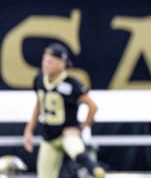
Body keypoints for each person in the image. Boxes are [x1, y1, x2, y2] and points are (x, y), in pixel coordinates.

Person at [22, 43, 105, 178]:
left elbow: (93, 107)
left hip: (67, 133)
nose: (45, 64)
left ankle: (95, 169)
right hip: (49, 137)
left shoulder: (71, 84)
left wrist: (82, 126)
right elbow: (39, 105)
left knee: (76, 149)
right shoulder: (39, 80)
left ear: (62, 64)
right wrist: (29, 130)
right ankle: (94, 168)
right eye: (44, 60)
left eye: (50, 61)